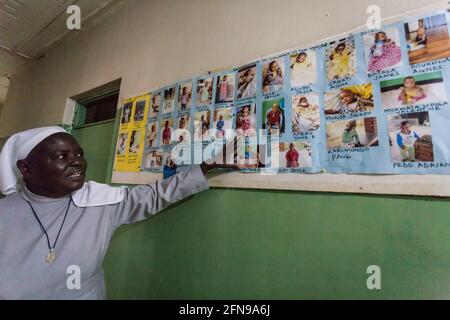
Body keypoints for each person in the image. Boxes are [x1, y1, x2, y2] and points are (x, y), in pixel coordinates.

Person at [0, 126, 238, 299]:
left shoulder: (99, 202)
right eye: (62, 156)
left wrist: (208, 165)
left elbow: (153, 196)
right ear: (26, 169)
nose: (77, 163)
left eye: (79, 154)